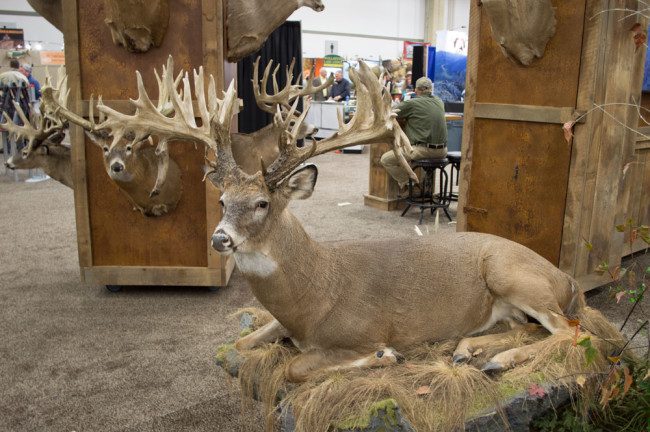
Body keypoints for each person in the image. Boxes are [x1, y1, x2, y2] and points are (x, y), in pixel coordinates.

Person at [380, 77, 447, 190]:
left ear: (416, 90)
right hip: (442, 152)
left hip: (422, 151)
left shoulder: (412, 103)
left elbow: (389, 113)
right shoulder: (439, 101)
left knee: (386, 159)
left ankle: (409, 184)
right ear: (431, 89)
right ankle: (426, 187)